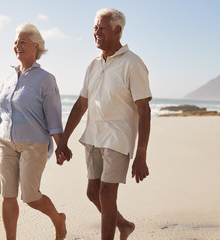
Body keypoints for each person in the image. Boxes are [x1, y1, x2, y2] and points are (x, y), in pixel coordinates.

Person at [56, 8, 152, 240]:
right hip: (94, 137)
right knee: (93, 193)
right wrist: (64, 140)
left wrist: (141, 153)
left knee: (107, 195)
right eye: (95, 28)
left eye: (102, 28)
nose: (96, 32)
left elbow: (144, 110)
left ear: (118, 31)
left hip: (118, 138)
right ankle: (125, 225)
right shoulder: (93, 65)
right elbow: (81, 105)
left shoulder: (133, 63)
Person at [0, 22, 67, 240]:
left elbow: (54, 117)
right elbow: (0, 113)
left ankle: (58, 220)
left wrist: (61, 145)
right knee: (8, 196)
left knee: (30, 197)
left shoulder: (45, 79)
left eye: (23, 42)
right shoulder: (9, 78)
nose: (17, 46)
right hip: (5, 143)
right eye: (15, 42)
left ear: (36, 46)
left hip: (34, 144)